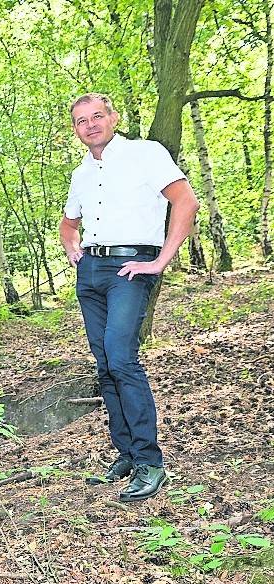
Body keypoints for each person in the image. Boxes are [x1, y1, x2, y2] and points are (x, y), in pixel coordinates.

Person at [60, 93, 199, 503]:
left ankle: (149, 462)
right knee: (104, 364)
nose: (90, 124)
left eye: (97, 116)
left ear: (113, 118)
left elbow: (185, 201)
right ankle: (124, 453)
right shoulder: (81, 173)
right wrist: (73, 248)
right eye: (81, 120)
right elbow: (69, 225)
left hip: (131, 267)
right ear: (76, 129)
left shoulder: (146, 153)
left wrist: (161, 261)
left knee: (122, 358)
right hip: (92, 272)